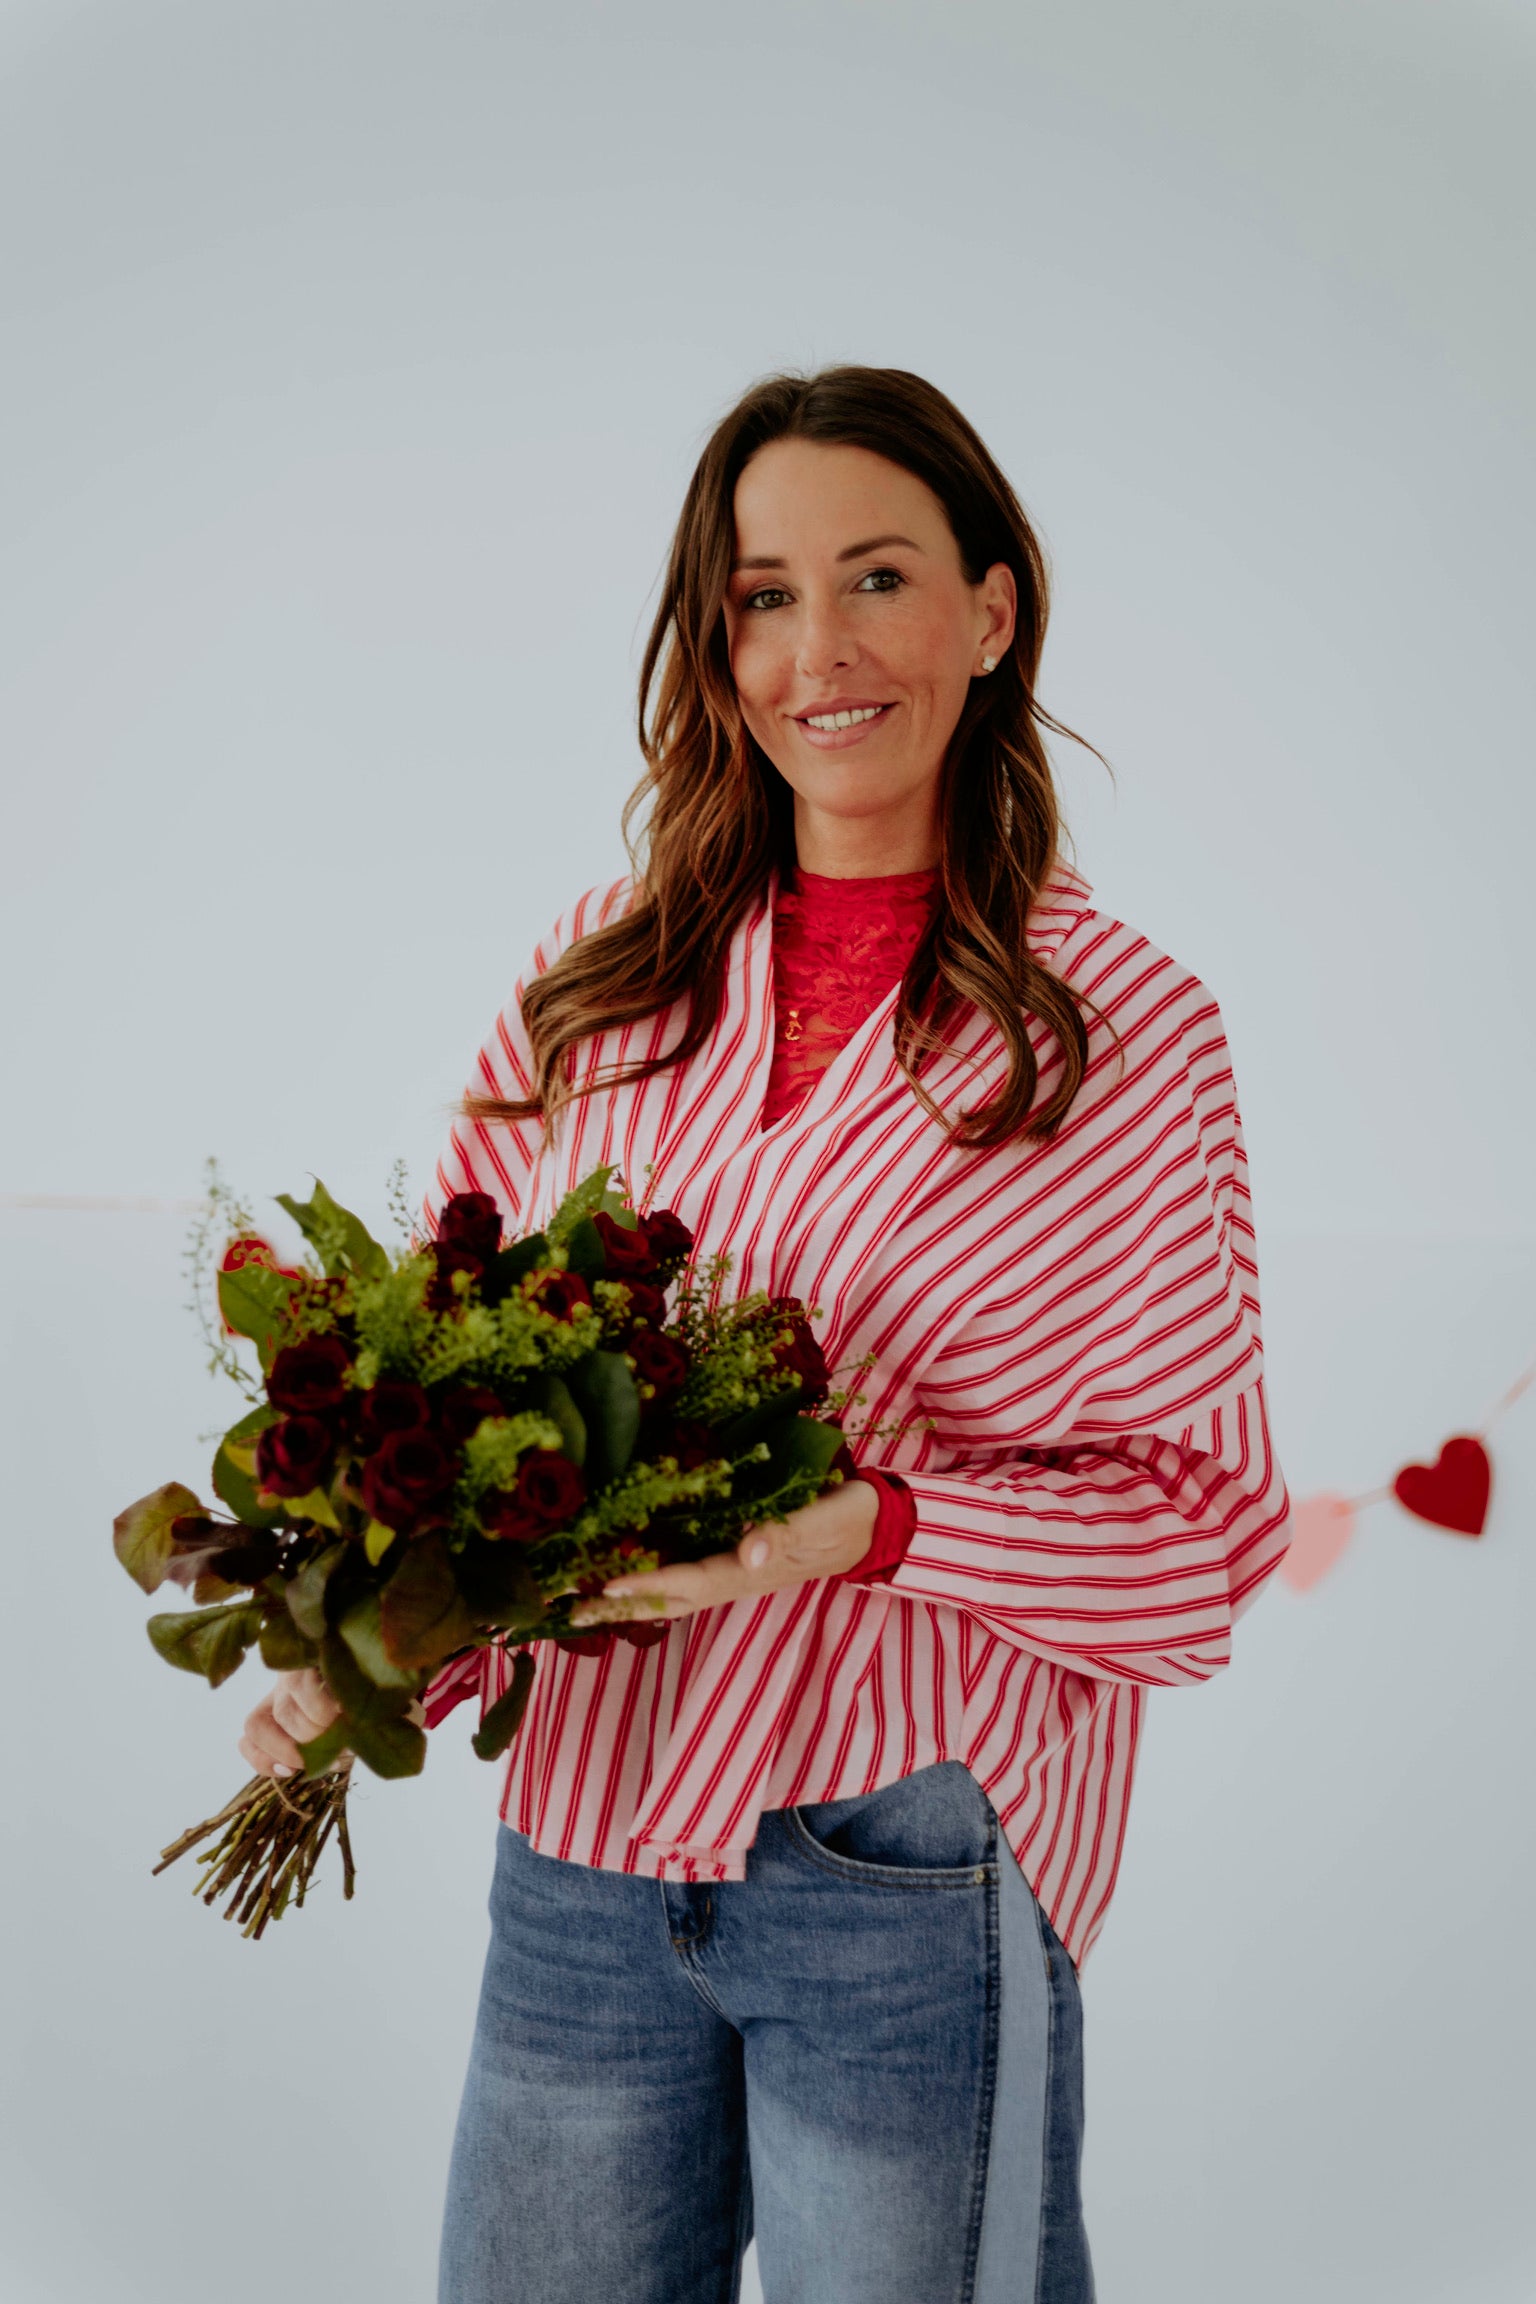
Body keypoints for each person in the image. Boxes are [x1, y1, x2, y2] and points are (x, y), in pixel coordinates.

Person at [239, 365, 1290, 2304]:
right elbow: (468, 1414)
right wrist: (372, 1650)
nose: (823, 650)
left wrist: (876, 1527)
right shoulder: (599, 990)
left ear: (992, 611)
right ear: (717, 649)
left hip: (904, 1868)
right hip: (588, 1846)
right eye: (764, 597)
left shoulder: (1123, 1038)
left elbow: (1198, 1545)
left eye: (878, 577)